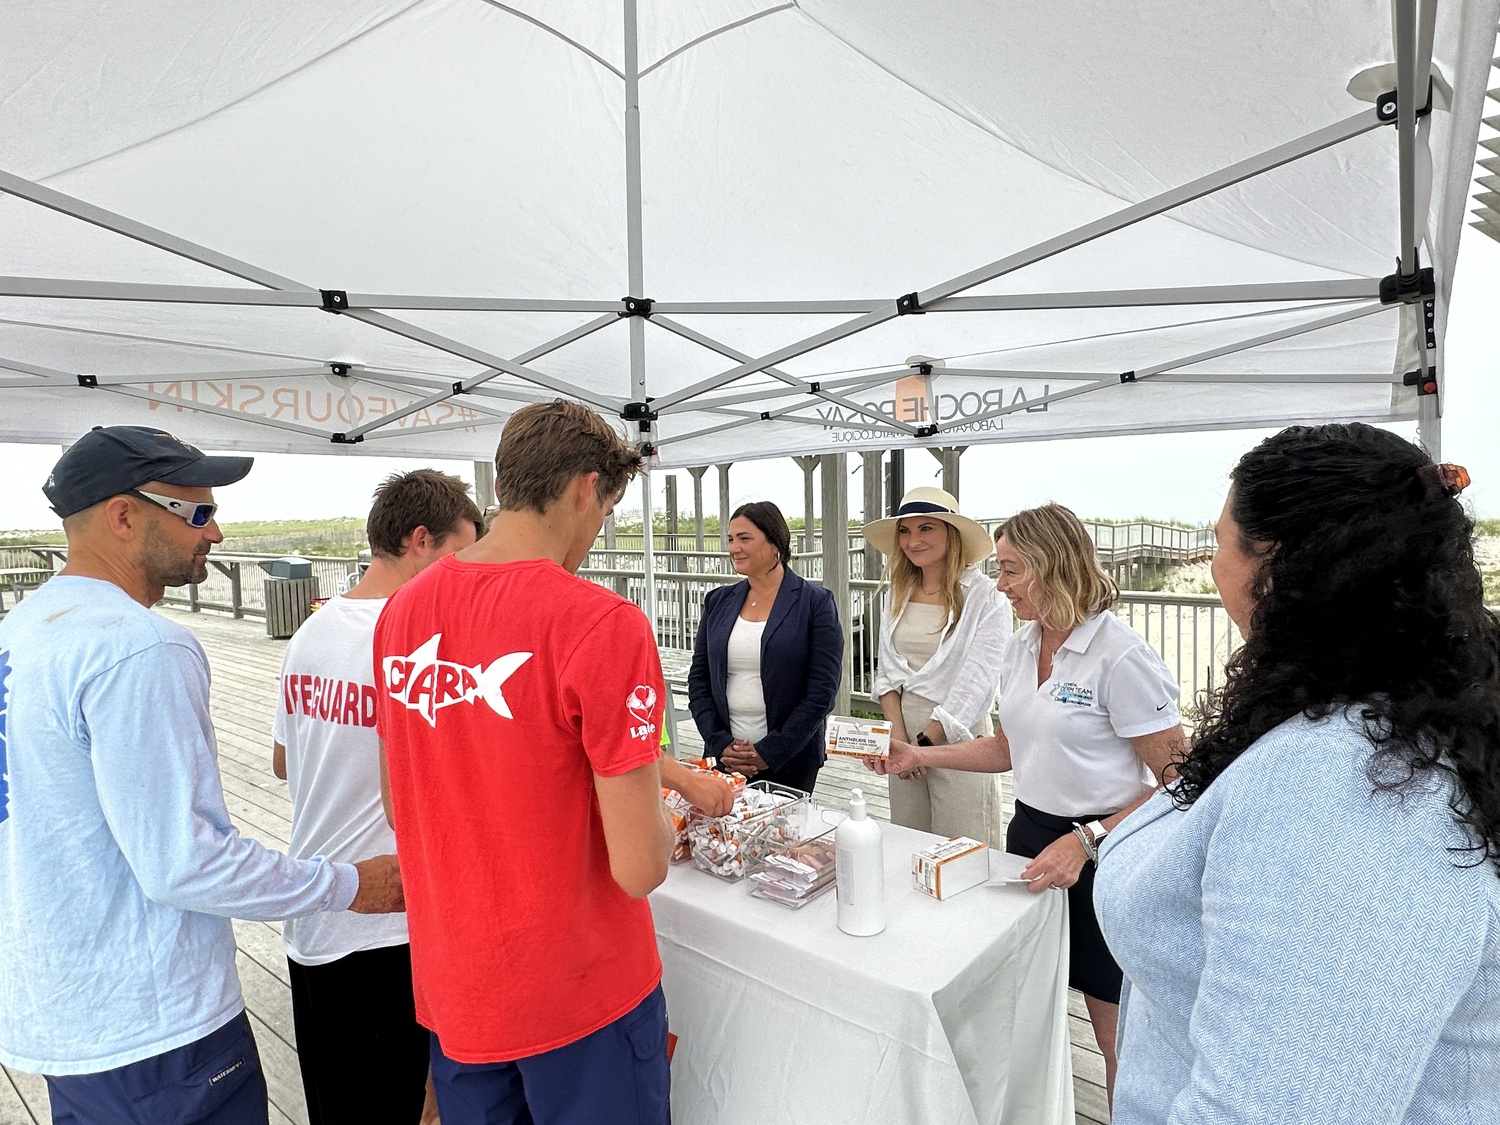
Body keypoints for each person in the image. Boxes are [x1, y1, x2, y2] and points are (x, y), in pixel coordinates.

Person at [1095, 424, 1500, 1124]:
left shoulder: (1350, 786)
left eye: (1220, 540)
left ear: (1274, 566)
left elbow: (1273, 1106)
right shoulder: (1397, 709)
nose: (1213, 559)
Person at [0, 425, 403, 1125]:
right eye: (198, 513)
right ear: (123, 516)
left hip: (66, 1012)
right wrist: (350, 883)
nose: (216, 534)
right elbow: (184, 863)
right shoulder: (138, 646)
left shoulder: (25, 628)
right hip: (155, 1025)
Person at [374, 399, 719, 1125]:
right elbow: (639, 867)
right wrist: (668, 808)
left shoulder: (401, 613)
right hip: (580, 995)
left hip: (458, 991)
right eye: (604, 511)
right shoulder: (601, 622)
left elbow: (401, 795)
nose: (595, 534)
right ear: (585, 488)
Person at [873, 502, 1185, 1105]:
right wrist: (922, 758)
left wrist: (1089, 838)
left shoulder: (1120, 655)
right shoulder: (1022, 647)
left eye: (1011, 569)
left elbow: (1181, 780)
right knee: (1032, 1004)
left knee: (1112, 1026)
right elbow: (1010, 747)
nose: (999, 583)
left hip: (1108, 852)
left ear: (1052, 567)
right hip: (1032, 839)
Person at [273, 469, 482, 1125]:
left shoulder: (310, 633)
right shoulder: (413, 643)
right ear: (420, 540)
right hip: (388, 919)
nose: (465, 574)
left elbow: (284, 761)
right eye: (461, 554)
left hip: (312, 916)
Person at [863, 487, 1012, 845]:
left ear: (952, 533)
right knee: (908, 841)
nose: (913, 540)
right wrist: (899, 739)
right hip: (903, 736)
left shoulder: (986, 597)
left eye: (926, 528)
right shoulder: (896, 593)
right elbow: (887, 674)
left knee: (963, 847)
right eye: (905, 530)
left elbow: (978, 682)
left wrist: (925, 744)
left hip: (959, 737)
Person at [687, 501, 843, 794]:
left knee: (786, 838)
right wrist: (720, 743)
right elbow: (699, 680)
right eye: (731, 540)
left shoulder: (815, 603)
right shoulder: (718, 601)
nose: (734, 548)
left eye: (745, 538)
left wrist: (769, 752)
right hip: (725, 758)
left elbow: (822, 692)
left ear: (776, 544)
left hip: (791, 760)